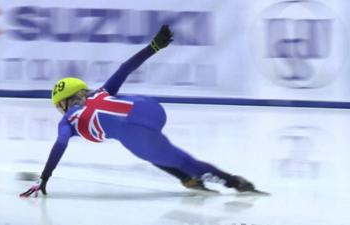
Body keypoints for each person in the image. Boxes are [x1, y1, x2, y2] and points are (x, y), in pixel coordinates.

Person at [20, 25, 257, 198]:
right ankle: (188, 177)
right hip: (151, 110)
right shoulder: (102, 91)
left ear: (63, 104)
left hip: (136, 132)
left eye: (59, 106)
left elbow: (60, 145)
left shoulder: (68, 122)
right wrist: (154, 46)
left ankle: (232, 182)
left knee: (170, 157)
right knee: (140, 144)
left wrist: (44, 177)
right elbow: (125, 69)